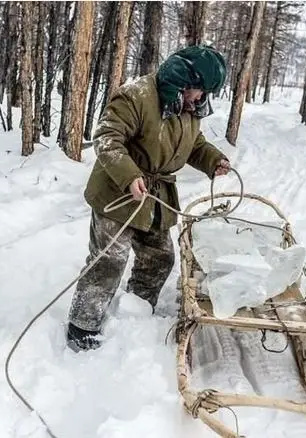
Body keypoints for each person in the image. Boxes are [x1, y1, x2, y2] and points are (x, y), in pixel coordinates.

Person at [66, 45, 231, 352]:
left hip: (155, 196)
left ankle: (136, 308)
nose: (200, 99)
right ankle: (82, 325)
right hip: (118, 191)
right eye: (199, 91)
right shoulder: (136, 95)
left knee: (160, 257)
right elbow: (107, 137)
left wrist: (212, 159)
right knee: (109, 260)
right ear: (182, 81)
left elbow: (194, 143)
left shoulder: (187, 108)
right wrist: (129, 175)